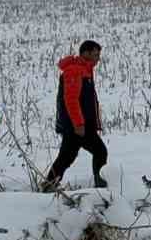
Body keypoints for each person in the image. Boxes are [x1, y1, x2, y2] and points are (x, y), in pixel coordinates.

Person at [42, 41, 109, 191]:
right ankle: (101, 187)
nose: (98, 59)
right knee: (99, 152)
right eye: (96, 54)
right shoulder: (74, 70)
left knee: (67, 157)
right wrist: (79, 124)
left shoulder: (84, 70)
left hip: (81, 125)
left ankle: (48, 185)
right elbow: (71, 99)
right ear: (86, 53)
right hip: (77, 126)